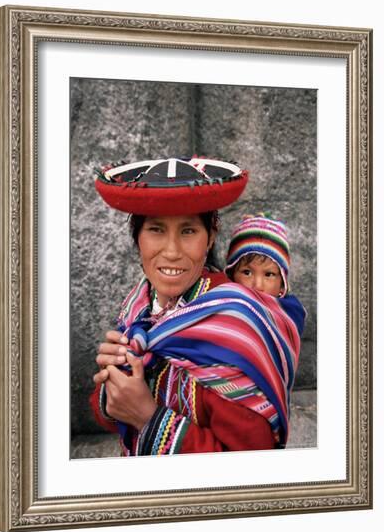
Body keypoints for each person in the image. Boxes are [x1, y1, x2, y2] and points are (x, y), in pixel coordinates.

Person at [89, 157, 306, 456]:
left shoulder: (233, 321)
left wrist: (148, 418)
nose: (172, 251)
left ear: (210, 237)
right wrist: (112, 377)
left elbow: (252, 464)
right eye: (156, 229)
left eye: (188, 231)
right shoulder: (139, 305)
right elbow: (110, 415)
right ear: (137, 238)